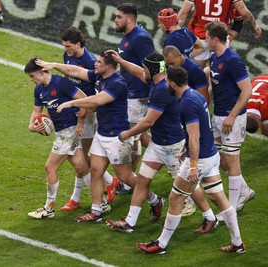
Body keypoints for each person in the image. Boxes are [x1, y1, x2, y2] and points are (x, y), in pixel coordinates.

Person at [136, 66, 246, 254]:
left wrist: (193, 165)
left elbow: (194, 135)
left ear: (172, 83)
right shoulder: (195, 95)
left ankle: (160, 244)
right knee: (219, 198)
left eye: (166, 82)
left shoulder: (187, 103)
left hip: (200, 159)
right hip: (211, 155)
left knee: (175, 198)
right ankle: (237, 243)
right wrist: (186, 149)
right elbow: (199, 132)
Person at [105, 51, 217, 233]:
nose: (142, 70)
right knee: (142, 181)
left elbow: (149, 122)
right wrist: (120, 60)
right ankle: (130, 223)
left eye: (145, 67)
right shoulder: (158, 80)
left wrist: (127, 134)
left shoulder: (162, 91)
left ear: (152, 69)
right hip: (158, 144)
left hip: (172, 146)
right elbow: (138, 73)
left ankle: (210, 217)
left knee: (189, 186)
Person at [36, 52, 136, 222]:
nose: (95, 64)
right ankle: (97, 211)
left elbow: (96, 101)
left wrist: (70, 103)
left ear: (109, 66)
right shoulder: (99, 76)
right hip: (102, 133)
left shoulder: (117, 83)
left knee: (126, 177)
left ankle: (153, 199)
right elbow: (75, 71)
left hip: (116, 135)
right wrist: (53, 65)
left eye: (99, 62)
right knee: (94, 171)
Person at [59, 27, 120, 210]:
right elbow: (68, 78)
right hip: (76, 109)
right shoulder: (67, 57)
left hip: (88, 113)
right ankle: (108, 183)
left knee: (82, 158)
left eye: (68, 46)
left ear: (78, 44)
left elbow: (94, 95)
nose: (66, 50)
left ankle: (103, 185)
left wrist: (80, 120)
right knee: (79, 156)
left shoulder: (92, 63)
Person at [24, 57, 90, 219]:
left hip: (70, 130)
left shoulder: (61, 83)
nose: (31, 80)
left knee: (50, 167)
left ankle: (49, 208)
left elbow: (84, 99)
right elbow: (36, 111)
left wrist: (80, 122)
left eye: (32, 76)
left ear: (42, 72)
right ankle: (102, 198)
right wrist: (31, 125)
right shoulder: (39, 90)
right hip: (61, 132)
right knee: (81, 168)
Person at [205, 21, 254, 215]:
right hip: (217, 116)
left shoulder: (232, 59)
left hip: (232, 119)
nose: (205, 40)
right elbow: (213, 85)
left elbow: (247, 90)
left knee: (232, 162)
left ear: (215, 39)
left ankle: (231, 210)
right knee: (220, 160)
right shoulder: (213, 57)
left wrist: (232, 117)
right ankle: (244, 191)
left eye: (207, 37)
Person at [162, 45, 209, 216]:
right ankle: (211, 217)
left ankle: (194, 205)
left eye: (173, 63)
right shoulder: (174, 71)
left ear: (180, 56)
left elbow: (204, 97)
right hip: (183, 114)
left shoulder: (194, 70)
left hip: (192, 116)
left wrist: (198, 116)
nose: (171, 67)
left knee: (187, 174)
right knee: (215, 190)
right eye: (168, 64)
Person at [114, 3, 155, 195]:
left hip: (139, 96)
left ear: (130, 19)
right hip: (129, 94)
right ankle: (166, 149)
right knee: (137, 136)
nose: (116, 20)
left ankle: (128, 180)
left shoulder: (141, 39)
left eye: (119, 17)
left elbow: (152, 67)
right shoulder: (127, 37)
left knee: (132, 137)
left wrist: (149, 92)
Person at [178, 0, 261, 67]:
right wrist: (256, 27)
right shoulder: (235, 5)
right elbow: (245, 14)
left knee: (195, 75)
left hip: (200, 40)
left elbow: (183, 13)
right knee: (218, 77)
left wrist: (175, 32)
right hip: (220, 40)